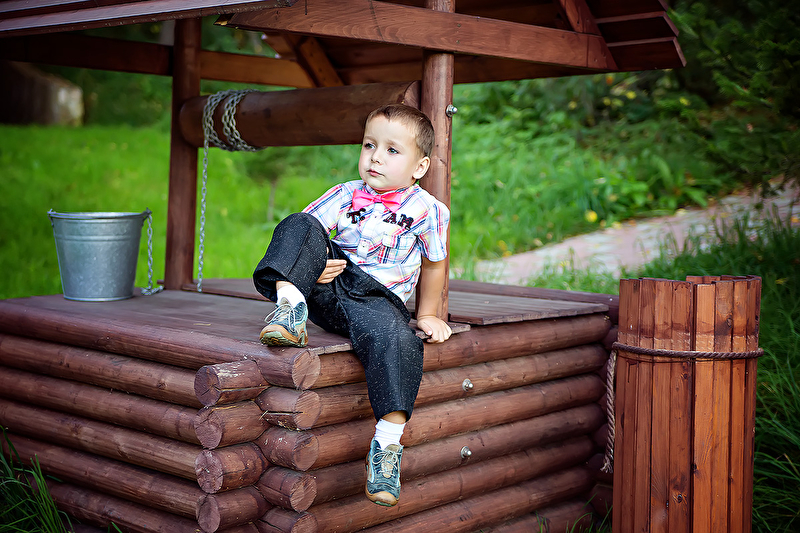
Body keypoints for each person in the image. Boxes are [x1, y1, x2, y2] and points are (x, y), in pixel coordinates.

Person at [252, 103, 452, 507]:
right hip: (327, 289)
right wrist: (314, 268)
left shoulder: (428, 211)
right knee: (298, 223)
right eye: (369, 145)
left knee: (399, 341)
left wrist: (428, 314)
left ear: (420, 166)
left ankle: (387, 448)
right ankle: (290, 310)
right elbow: (306, 234)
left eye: (392, 150)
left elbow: (434, 264)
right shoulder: (344, 194)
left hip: (377, 302)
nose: (375, 157)